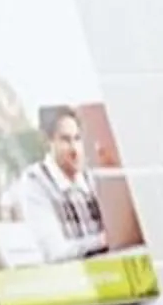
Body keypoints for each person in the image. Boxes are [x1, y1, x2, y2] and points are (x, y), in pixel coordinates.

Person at [7, 105, 108, 262]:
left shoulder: (90, 177)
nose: (75, 149)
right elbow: (55, 252)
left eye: (77, 138)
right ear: (48, 141)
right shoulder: (35, 182)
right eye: (66, 140)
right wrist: (103, 240)